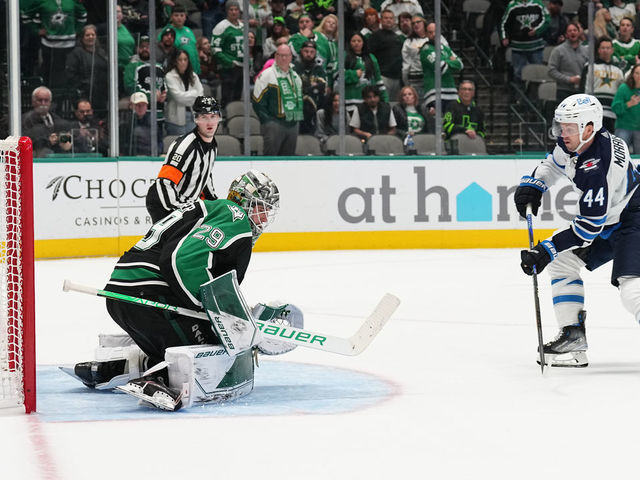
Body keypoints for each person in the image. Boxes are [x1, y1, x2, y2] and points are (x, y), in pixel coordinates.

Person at [72, 170, 280, 410]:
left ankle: (118, 368)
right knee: (210, 348)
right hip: (150, 296)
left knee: (173, 349)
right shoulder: (235, 215)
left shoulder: (213, 211)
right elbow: (183, 261)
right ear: (244, 201)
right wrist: (215, 314)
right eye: (261, 206)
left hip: (124, 294)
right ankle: (156, 379)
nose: (263, 218)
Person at [515, 94, 640, 368]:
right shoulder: (579, 140)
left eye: (569, 127)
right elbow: (553, 163)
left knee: (632, 291)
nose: (562, 133)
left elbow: (587, 228)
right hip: (614, 217)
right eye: (561, 126)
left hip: (634, 216)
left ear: (589, 127)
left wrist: (545, 249)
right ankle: (573, 336)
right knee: (562, 263)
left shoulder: (599, 168)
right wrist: (535, 184)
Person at [146, 96, 222, 223]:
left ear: (219, 118)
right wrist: (179, 213)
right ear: (196, 119)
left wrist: (214, 204)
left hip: (185, 204)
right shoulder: (185, 146)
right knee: (173, 242)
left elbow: (204, 175)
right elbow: (165, 182)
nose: (210, 122)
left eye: (213, 116)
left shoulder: (213, 146)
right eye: (204, 117)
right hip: (163, 203)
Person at [21, 0, 87, 89]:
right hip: (49, 46)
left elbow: (82, 15)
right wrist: (37, 30)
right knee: (50, 77)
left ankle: (67, 96)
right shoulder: (42, 1)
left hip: (69, 46)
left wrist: (77, 30)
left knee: (69, 74)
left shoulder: (72, 1)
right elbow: (26, 16)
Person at [252, 44, 304, 156]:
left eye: (286, 55)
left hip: (293, 123)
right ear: (275, 56)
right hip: (274, 123)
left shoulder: (295, 76)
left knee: (288, 159)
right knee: (270, 159)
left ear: (291, 57)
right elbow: (257, 101)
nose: (284, 58)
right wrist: (267, 121)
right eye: (281, 55)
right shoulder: (266, 75)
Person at [580, 37, 625, 132]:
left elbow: (621, 92)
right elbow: (583, 89)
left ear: (612, 50)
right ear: (598, 50)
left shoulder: (618, 70)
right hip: (594, 112)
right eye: (603, 48)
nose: (606, 50)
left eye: (608, 48)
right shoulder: (590, 66)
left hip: (613, 113)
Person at [499, 0, 550, 85]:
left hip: (536, 46)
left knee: (537, 74)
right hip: (518, 47)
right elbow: (503, 23)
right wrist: (504, 37)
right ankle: (519, 96)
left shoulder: (538, 3)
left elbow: (547, 19)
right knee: (518, 74)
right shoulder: (512, 6)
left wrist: (537, 30)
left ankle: (535, 96)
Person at [65, 24, 109, 116]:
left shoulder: (102, 53)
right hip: (84, 93)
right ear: (82, 37)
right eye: (87, 35)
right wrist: (84, 84)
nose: (91, 37)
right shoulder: (76, 53)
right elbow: (71, 74)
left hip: (101, 94)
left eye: (93, 35)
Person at [345, 32, 387, 115]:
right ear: (349, 43)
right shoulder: (344, 56)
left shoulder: (371, 58)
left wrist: (385, 99)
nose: (356, 43)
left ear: (363, 42)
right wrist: (353, 74)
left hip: (369, 102)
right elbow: (337, 74)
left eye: (359, 41)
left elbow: (378, 80)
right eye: (353, 41)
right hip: (350, 101)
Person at [212, 0, 245, 107]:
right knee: (227, 96)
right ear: (227, 11)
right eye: (231, 10)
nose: (234, 12)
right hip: (228, 67)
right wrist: (229, 62)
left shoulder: (243, 26)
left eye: (236, 9)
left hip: (241, 66)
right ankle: (226, 118)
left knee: (237, 95)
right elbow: (215, 48)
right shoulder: (221, 27)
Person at [164, 48, 204, 136]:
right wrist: (194, 94)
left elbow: (200, 96)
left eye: (185, 59)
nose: (183, 62)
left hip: (192, 116)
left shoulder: (193, 75)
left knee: (192, 146)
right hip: (175, 119)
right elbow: (179, 97)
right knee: (179, 147)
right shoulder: (170, 76)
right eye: (180, 59)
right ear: (175, 61)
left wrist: (191, 97)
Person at [22, 86, 72, 156]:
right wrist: (48, 142)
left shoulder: (57, 120)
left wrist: (65, 141)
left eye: (46, 100)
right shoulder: (25, 120)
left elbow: (67, 141)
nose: (43, 103)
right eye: (40, 100)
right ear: (33, 102)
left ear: (50, 102)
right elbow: (24, 144)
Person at [420, 33, 463, 112]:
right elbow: (441, 67)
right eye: (430, 32)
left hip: (451, 92)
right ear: (426, 35)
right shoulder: (426, 49)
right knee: (438, 122)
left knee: (452, 121)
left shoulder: (445, 48)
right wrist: (450, 60)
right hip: (434, 93)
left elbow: (460, 64)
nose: (433, 34)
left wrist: (445, 61)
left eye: (435, 31)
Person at [368, 9, 404, 102]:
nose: (388, 20)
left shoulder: (398, 37)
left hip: (397, 78)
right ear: (381, 20)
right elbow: (370, 56)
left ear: (394, 21)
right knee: (384, 104)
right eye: (386, 18)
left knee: (396, 106)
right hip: (383, 77)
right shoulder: (375, 36)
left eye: (391, 18)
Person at [548, 22, 589, 102]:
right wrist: (568, 79)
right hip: (563, 91)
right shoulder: (558, 50)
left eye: (575, 30)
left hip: (581, 92)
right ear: (566, 34)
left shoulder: (586, 50)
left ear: (579, 32)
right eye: (570, 31)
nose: (572, 32)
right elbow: (551, 71)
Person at [294, 41, 328, 134]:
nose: (309, 54)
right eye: (306, 51)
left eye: (311, 52)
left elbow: (322, 86)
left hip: (316, 106)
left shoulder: (319, 69)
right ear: (301, 51)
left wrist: (305, 87)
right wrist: (312, 86)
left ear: (315, 53)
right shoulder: (295, 68)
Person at [157, 4, 200, 74]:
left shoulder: (188, 30)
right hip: (177, 70)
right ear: (171, 17)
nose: (179, 18)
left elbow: (194, 48)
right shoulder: (167, 31)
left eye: (182, 15)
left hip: (194, 69)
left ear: (185, 17)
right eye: (176, 15)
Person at [120, 92, 163, 156]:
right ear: (131, 106)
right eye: (137, 105)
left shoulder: (152, 122)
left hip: (150, 157)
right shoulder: (125, 122)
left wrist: (158, 153)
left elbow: (159, 142)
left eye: (143, 105)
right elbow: (122, 145)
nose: (141, 107)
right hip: (131, 159)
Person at [612, 64, 640, 153]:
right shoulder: (624, 88)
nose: (639, 76)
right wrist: (629, 104)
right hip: (624, 127)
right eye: (637, 73)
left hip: (639, 129)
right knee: (619, 155)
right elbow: (615, 108)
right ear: (632, 74)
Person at [401, 15, 429, 99]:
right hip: (414, 78)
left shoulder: (432, 38)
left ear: (424, 23)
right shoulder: (408, 42)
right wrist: (406, 82)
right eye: (413, 23)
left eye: (418, 22)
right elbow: (406, 63)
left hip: (430, 77)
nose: (416, 25)